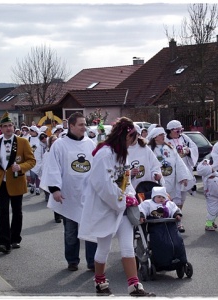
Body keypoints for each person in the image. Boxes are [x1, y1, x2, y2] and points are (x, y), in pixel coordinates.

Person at [78, 117, 155, 297]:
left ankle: (134, 286)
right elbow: (101, 183)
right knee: (103, 247)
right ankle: (99, 281)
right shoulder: (104, 154)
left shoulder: (123, 153)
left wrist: (131, 196)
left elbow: (125, 179)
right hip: (106, 207)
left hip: (122, 207)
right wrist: (121, 199)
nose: (132, 142)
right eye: (131, 138)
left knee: (127, 246)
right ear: (122, 136)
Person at [42, 112, 97, 271]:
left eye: (85, 124)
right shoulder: (60, 144)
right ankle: (72, 260)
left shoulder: (90, 144)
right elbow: (53, 167)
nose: (84, 128)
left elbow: (97, 166)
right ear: (71, 126)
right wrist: (55, 189)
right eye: (81, 125)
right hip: (69, 194)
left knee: (90, 230)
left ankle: (93, 261)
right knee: (71, 232)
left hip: (88, 194)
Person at [0, 112, 36, 254]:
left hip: (16, 181)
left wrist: (21, 167)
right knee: (2, 212)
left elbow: (32, 161)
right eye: (5, 126)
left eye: (10, 125)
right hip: (0, 182)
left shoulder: (23, 142)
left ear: (14, 127)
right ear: (0, 129)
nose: (8, 128)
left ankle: (15, 238)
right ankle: (3, 242)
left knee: (17, 211)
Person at [147, 126, 193, 232]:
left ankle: (177, 223)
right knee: (158, 203)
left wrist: (183, 177)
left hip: (172, 180)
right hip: (158, 182)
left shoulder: (170, 148)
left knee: (174, 203)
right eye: (161, 135)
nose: (164, 136)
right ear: (155, 137)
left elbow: (179, 163)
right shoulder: (149, 149)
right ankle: (160, 224)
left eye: (163, 134)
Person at [165, 120, 199, 200]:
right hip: (172, 170)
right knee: (173, 195)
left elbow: (194, 148)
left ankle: (179, 211)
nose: (179, 132)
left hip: (184, 168)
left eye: (181, 130)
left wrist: (189, 151)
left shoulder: (184, 138)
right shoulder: (165, 141)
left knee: (182, 195)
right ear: (170, 130)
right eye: (177, 131)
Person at [196, 158, 218, 231]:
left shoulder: (207, 177)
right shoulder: (213, 180)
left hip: (211, 197)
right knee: (213, 211)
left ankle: (212, 222)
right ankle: (208, 224)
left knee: (213, 210)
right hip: (215, 198)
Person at [39, 134, 63, 223]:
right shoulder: (48, 153)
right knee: (54, 197)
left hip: (61, 177)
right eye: (53, 140)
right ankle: (57, 216)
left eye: (56, 139)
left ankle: (62, 214)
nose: (55, 141)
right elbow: (45, 165)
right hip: (52, 177)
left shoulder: (61, 151)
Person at [30, 132, 47, 196]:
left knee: (39, 176)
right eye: (42, 138)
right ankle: (32, 185)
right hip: (35, 163)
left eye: (45, 137)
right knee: (33, 176)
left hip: (42, 163)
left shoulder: (46, 145)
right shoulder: (36, 145)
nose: (44, 139)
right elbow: (31, 152)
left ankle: (37, 188)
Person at [28, 126, 41, 195]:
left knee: (38, 175)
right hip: (31, 159)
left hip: (39, 159)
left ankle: (37, 188)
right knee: (32, 175)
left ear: (36, 132)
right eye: (30, 131)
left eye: (32, 131)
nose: (31, 132)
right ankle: (32, 185)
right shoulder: (29, 139)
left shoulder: (39, 138)